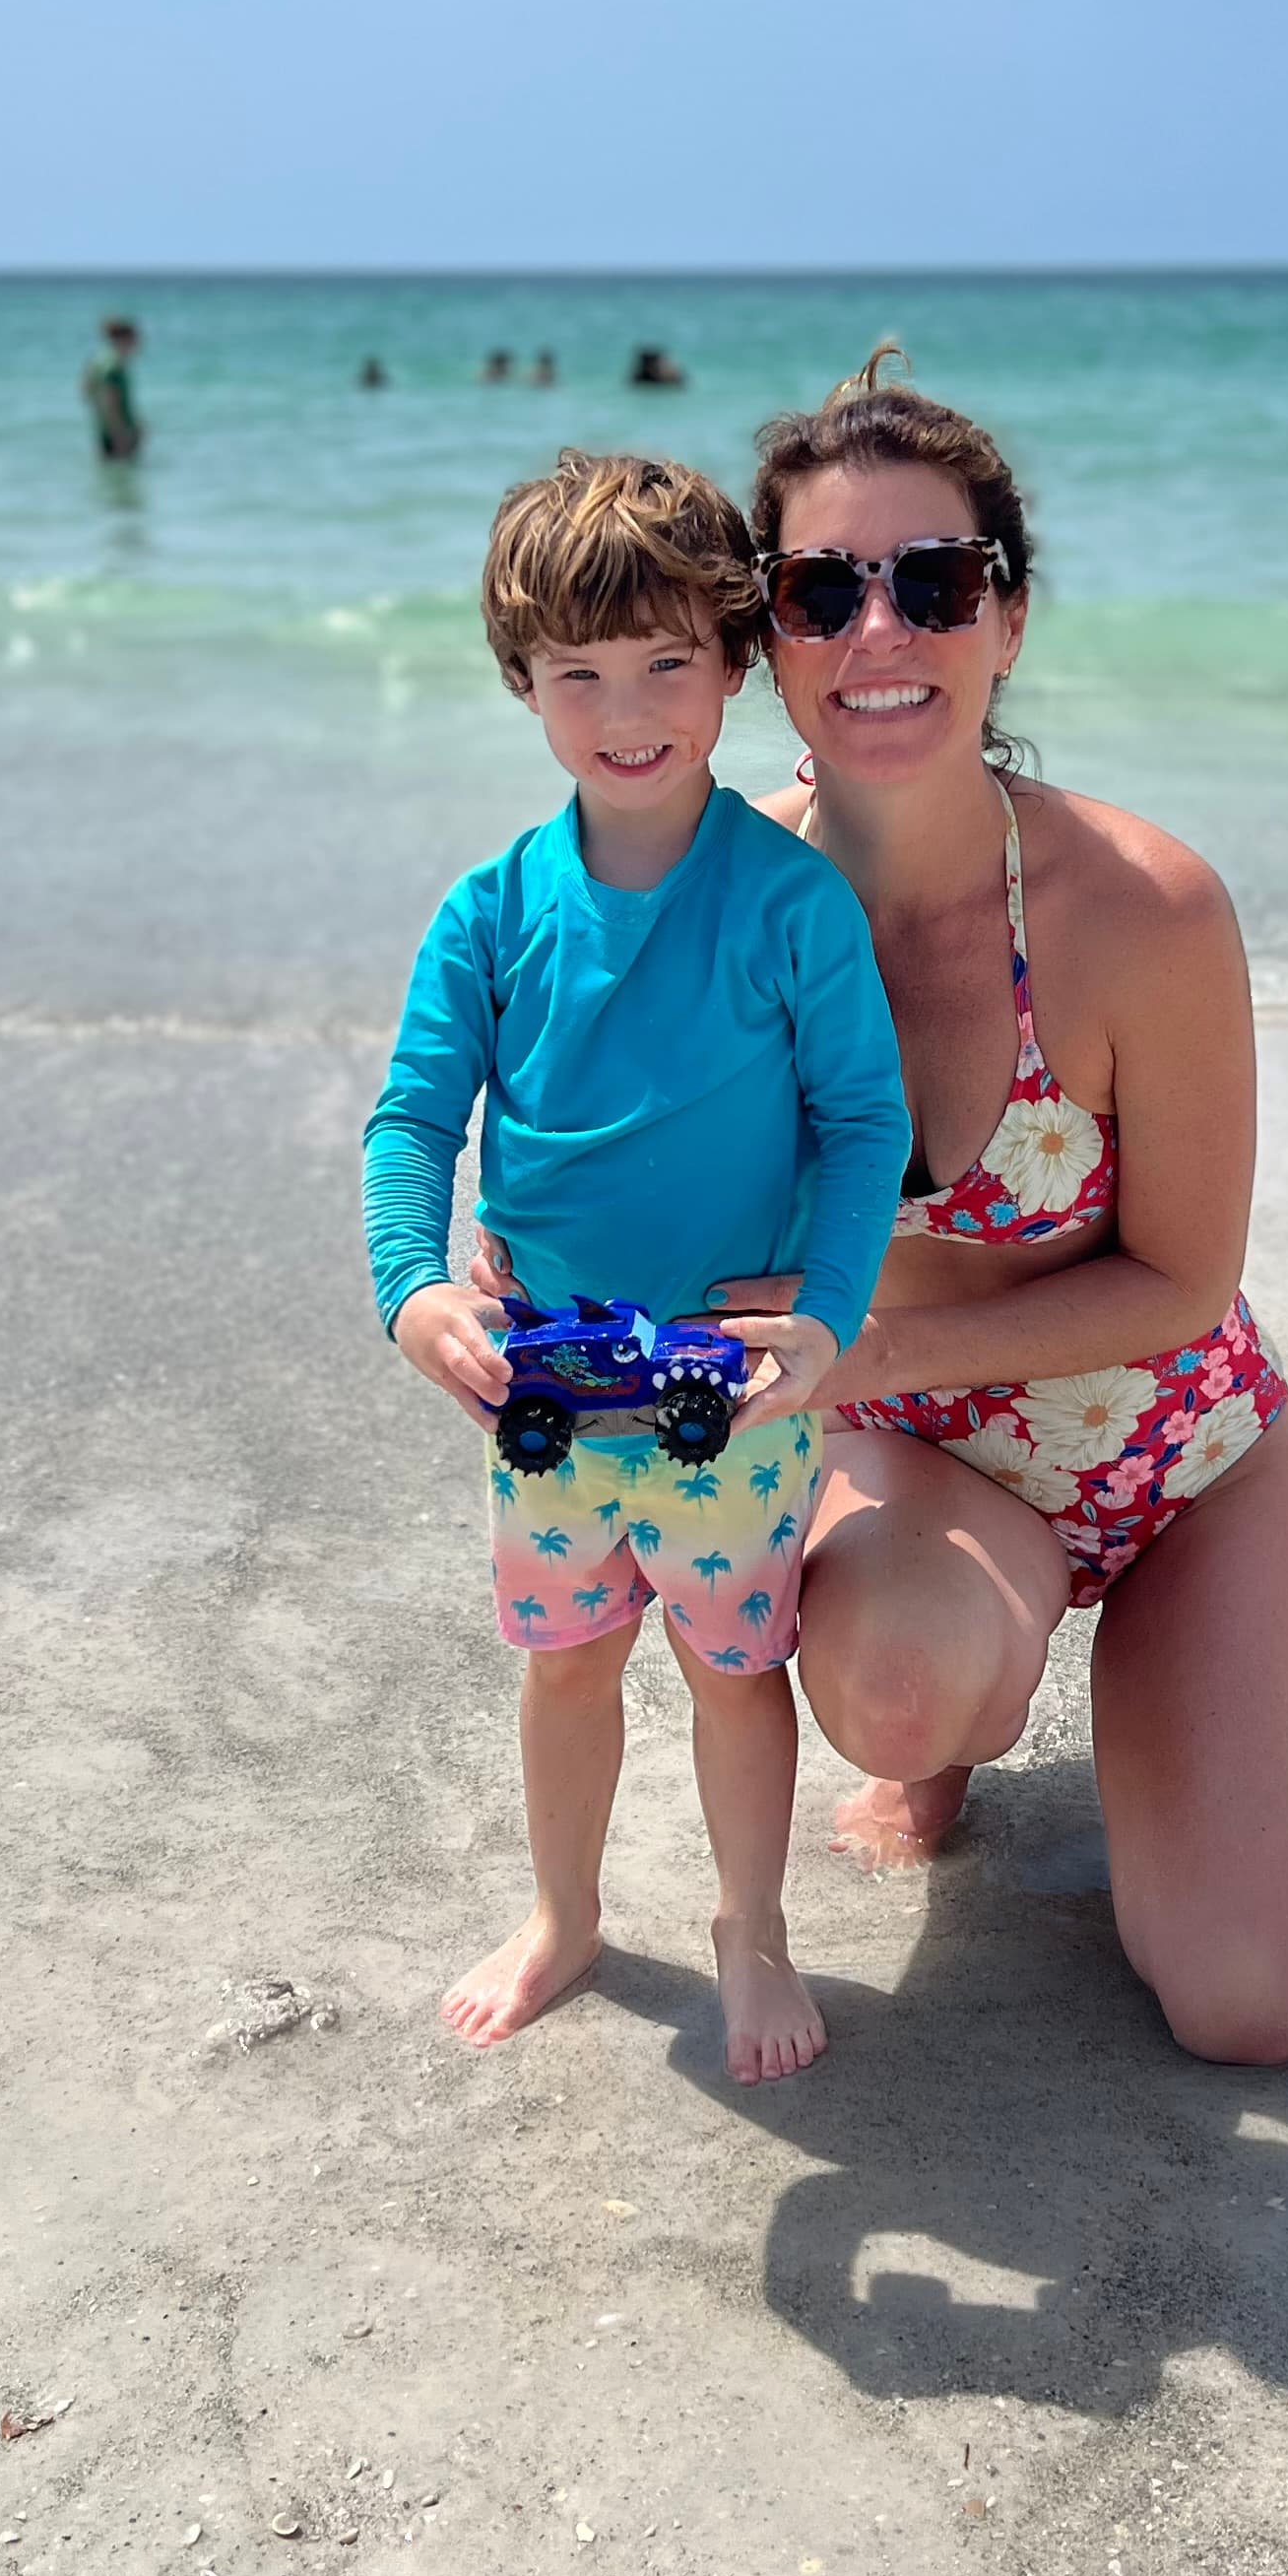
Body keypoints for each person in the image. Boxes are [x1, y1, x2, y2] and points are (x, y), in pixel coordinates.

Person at [741, 348, 1288, 2067]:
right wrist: (506, 1263)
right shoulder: (712, 911)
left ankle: (1285, 1627)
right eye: (822, 590)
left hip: (1177, 1455)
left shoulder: (1139, 908)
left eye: (934, 582)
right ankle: (981, 1705)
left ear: (1008, 619)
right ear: (768, 636)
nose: (879, 630)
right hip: (920, 1461)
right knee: (896, 1694)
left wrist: (869, 1348)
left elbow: (1183, 1276)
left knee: (1258, 2009)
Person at [363, 451, 910, 2082]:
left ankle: (752, 1926)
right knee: (565, 1661)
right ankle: (564, 1912)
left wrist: (825, 1315)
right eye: (579, 673)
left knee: (735, 1674)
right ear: (521, 683)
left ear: (735, 662)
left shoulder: (791, 904)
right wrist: (414, 1289)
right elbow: (413, 1118)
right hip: (541, 1385)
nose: (627, 710)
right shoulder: (489, 913)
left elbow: (862, 1122)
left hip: (732, 1397)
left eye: (668, 661)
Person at [80, 316, 143, 461]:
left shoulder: (97, 360)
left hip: (103, 429)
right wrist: (120, 436)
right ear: (125, 339)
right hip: (119, 433)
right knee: (122, 471)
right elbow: (110, 404)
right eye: (135, 339)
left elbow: (85, 392)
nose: (137, 344)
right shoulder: (114, 367)